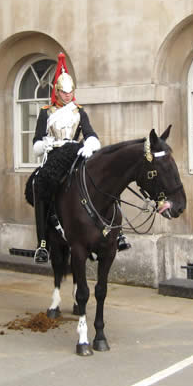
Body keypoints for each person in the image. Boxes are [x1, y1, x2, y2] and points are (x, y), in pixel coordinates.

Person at [25, 53, 131, 264]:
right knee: (41, 184)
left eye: (71, 91)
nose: (68, 95)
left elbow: (90, 133)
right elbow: (37, 141)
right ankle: (43, 244)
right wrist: (44, 144)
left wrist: (90, 144)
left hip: (76, 151)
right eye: (64, 91)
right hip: (55, 155)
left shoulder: (79, 111)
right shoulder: (46, 113)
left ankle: (118, 232)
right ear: (57, 91)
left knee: (106, 175)